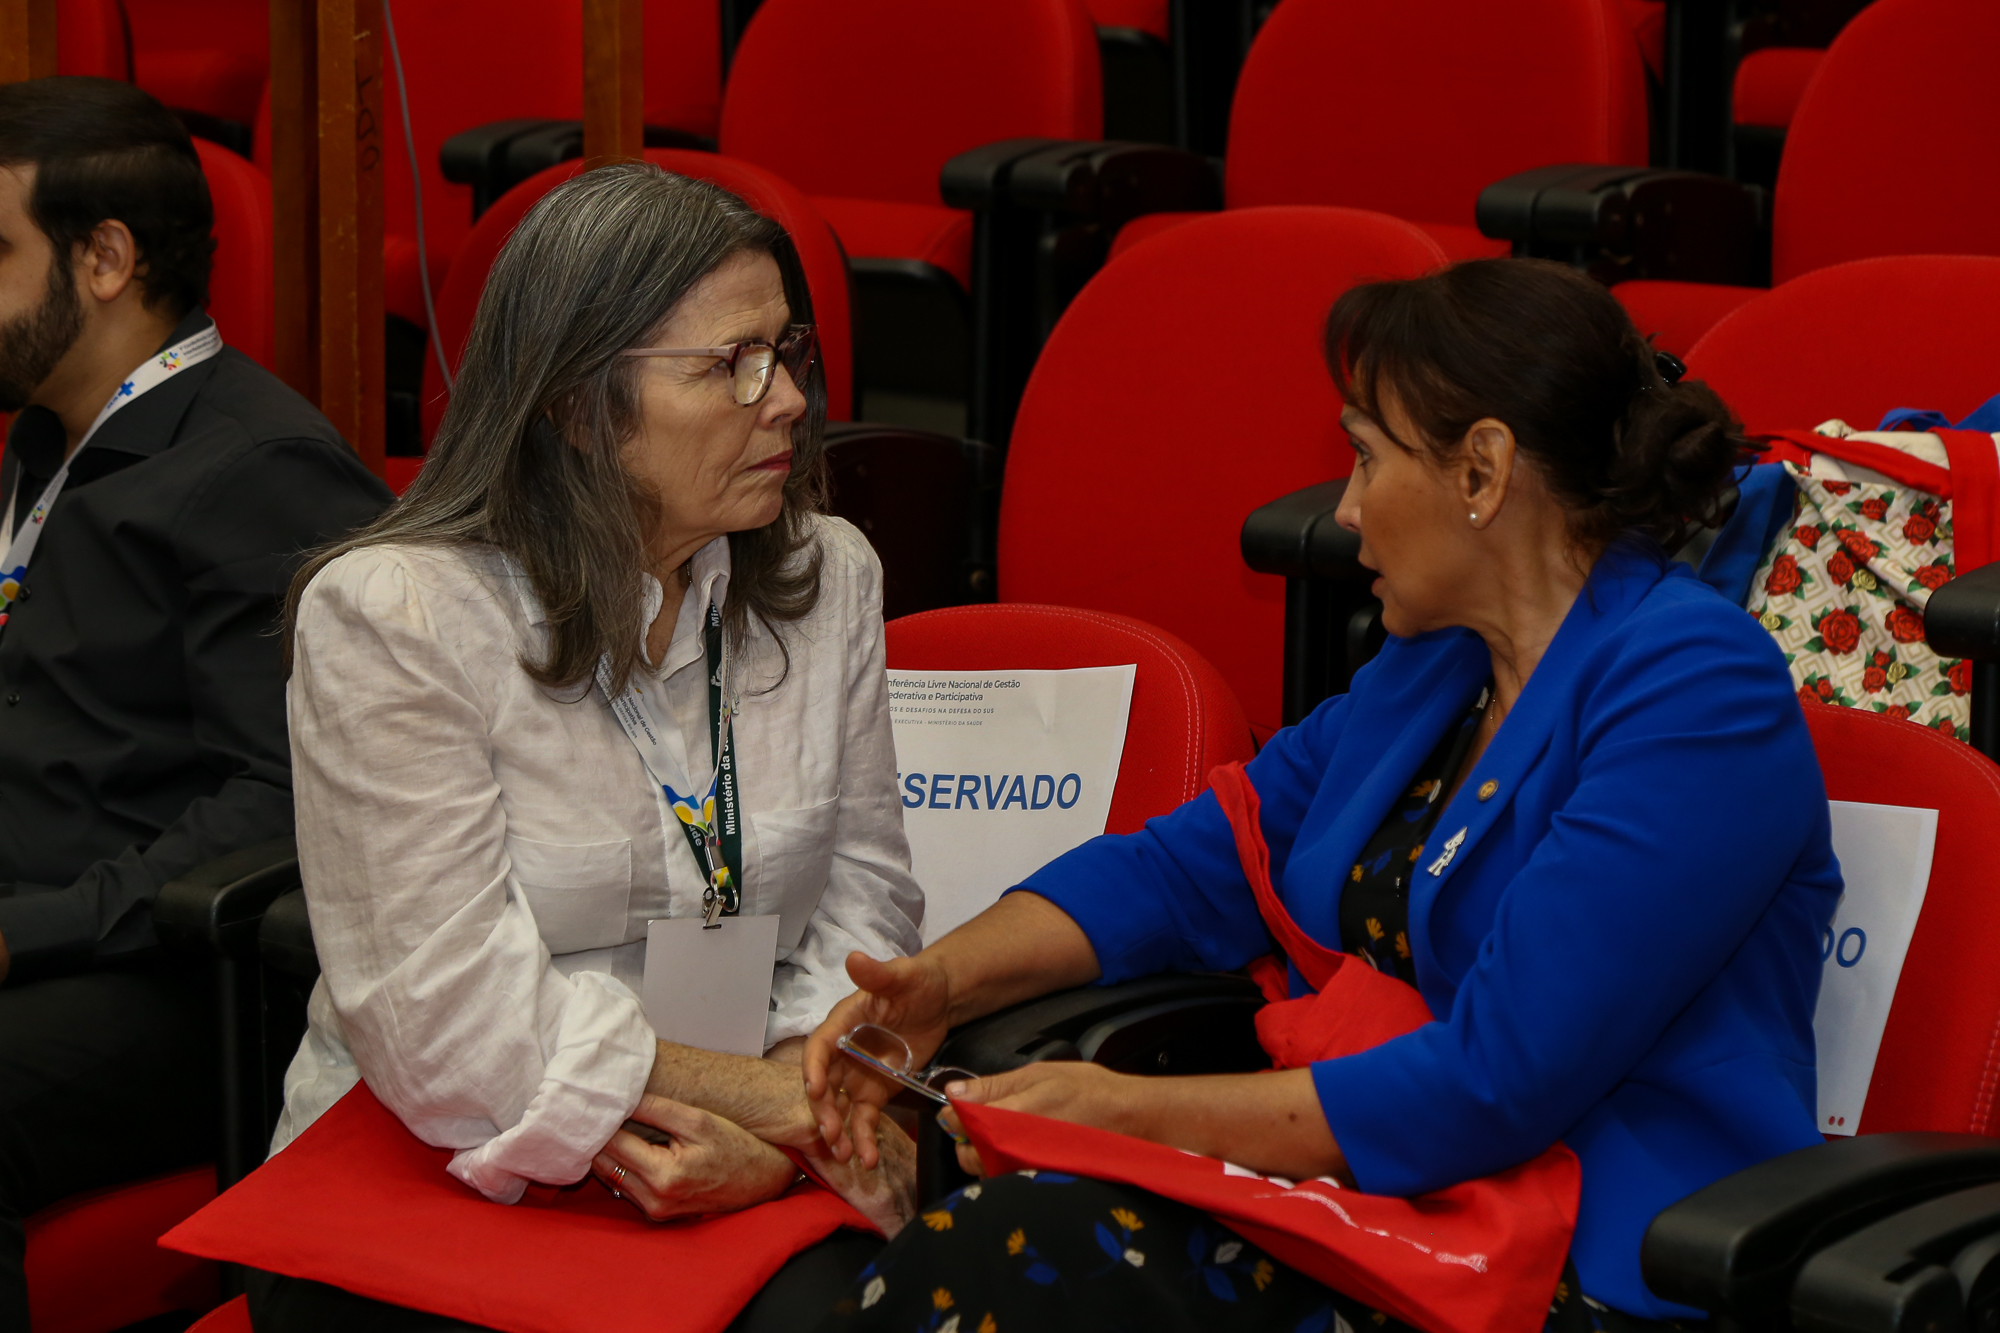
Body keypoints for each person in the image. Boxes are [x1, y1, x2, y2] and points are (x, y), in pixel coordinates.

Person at [803, 259, 1842, 1332]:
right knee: (1012, 1240)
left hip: (1587, 1262)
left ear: (1480, 472)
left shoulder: (1693, 686)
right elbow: (1180, 869)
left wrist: (1123, 1112)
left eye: (1363, 455)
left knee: (1023, 1255)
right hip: (1388, 1209)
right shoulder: (1433, 667)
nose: (1342, 510)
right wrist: (942, 982)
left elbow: (1495, 1082)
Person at [250, 163, 924, 1332]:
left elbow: (866, 898)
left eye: (788, 352)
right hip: (447, 1155)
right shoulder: (396, 616)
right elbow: (448, 1024)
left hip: (743, 1151)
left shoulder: (829, 577)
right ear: (574, 404)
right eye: (733, 365)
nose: (788, 403)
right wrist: (773, 1103)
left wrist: (779, 1126)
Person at [0, 77, 391, 1327]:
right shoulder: (42, 443)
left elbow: (283, 804)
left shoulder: (256, 472)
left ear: (105, 257)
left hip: (163, 973)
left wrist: (28, 930)